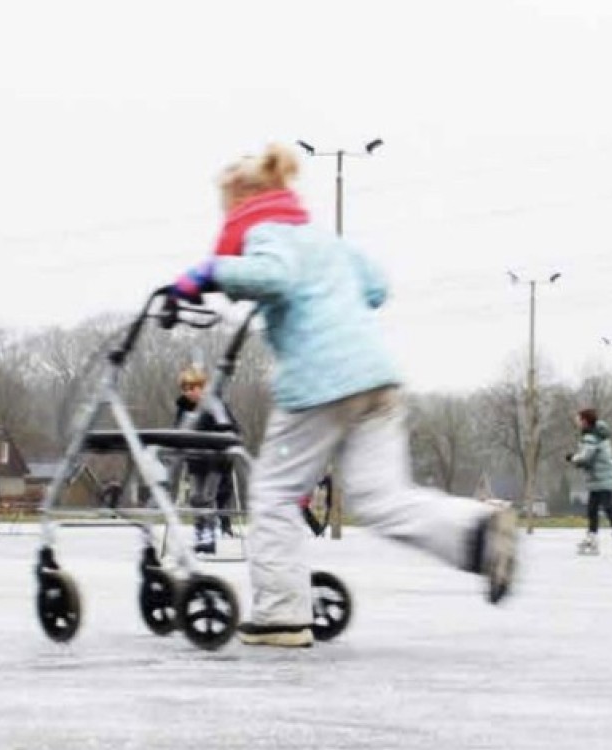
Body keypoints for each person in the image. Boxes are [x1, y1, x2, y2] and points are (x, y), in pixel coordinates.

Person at [169, 143, 518, 648]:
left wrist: (211, 273)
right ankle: (477, 533)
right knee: (382, 499)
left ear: (241, 204)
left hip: (319, 384)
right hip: (377, 379)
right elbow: (376, 287)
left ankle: (281, 614)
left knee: (273, 495)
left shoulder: (266, 232)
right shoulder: (324, 240)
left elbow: (273, 275)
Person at [175, 365, 241, 555]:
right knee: (195, 498)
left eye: (193, 388)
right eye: (185, 389)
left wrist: (222, 440)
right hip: (195, 461)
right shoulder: (183, 408)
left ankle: (209, 536)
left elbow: (232, 428)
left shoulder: (215, 405)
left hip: (215, 461)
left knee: (207, 498)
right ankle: (199, 532)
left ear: (202, 388)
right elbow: (177, 430)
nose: (189, 393)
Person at [566, 409, 612, 555]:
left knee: (607, 507)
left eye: (579, 420)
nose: (577, 423)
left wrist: (572, 458)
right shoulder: (599, 435)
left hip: (602, 478)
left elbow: (586, 457)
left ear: (585, 421)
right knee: (593, 509)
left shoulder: (591, 438)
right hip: (599, 478)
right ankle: (593, 538)